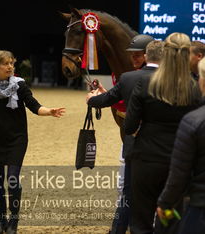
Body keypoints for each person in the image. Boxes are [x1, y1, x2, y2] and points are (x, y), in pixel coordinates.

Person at [0, 50, 65, 234]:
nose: (10, 66)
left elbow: (34, 106)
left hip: (17, 139)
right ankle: (1, 221)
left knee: (12, 179)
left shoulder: (19, 85)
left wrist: (49, 111)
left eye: (11, 63)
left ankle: (14, 220)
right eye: (5, 63)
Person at [124, 32, 202, 234]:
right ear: (187, 54)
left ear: (165, 54)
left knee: (140, 221)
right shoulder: (195, 90)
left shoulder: (145, 84)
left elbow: (129, 127)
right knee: (170, 221)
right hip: (178, 167)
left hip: (146, 163)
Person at [86, 39, 160, 234]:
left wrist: (93, 98)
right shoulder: (172, 79)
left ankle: (119, 230)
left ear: (147, 55)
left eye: (137, 54)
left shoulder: (127, 78)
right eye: (131, 54)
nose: (133, 57)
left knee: (128, 192)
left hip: (135, 143)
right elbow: (122, 102)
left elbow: (121, 105)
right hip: (161, 146)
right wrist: (108, 94)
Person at [157, 57, 205, 234]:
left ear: (203, 80)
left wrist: (165, 201)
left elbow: (180, 171)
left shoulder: (193, 121)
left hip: (200, 206)